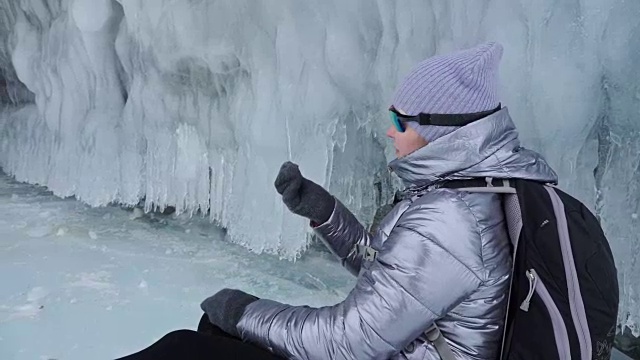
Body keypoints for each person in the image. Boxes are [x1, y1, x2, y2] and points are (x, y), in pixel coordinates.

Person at [116, 42, 558, 360]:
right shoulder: (470, 195)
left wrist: (245, 310)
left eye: (398, 121)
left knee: (187, 347)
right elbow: (395, 279)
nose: (389, 131)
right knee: (211, 334)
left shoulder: (452, 216)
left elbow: (348, 342)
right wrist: (325, 213)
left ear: (440, 130)